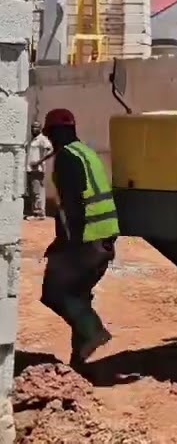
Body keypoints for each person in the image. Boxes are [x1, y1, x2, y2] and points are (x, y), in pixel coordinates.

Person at [38, 108, 119, 368]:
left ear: (52, 134)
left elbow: (73, 207)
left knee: (54, 291)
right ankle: (79, 361)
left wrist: (66, 244)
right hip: (104, 237)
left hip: (88, 239)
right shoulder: (86, 153)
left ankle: (93, 330)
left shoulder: (66, 158)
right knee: (79, 294)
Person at [25, 122, 53, 220]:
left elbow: (50, 150)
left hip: (37, 170)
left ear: (40, 128)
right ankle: (35, 212)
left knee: (37, 192)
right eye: (32, 127)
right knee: (32, 191)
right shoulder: (32, 140)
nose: (33, 129)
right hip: (30, 169)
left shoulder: (42, 139)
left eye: (36, 127)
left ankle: (39, 214)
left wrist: (39, 161)